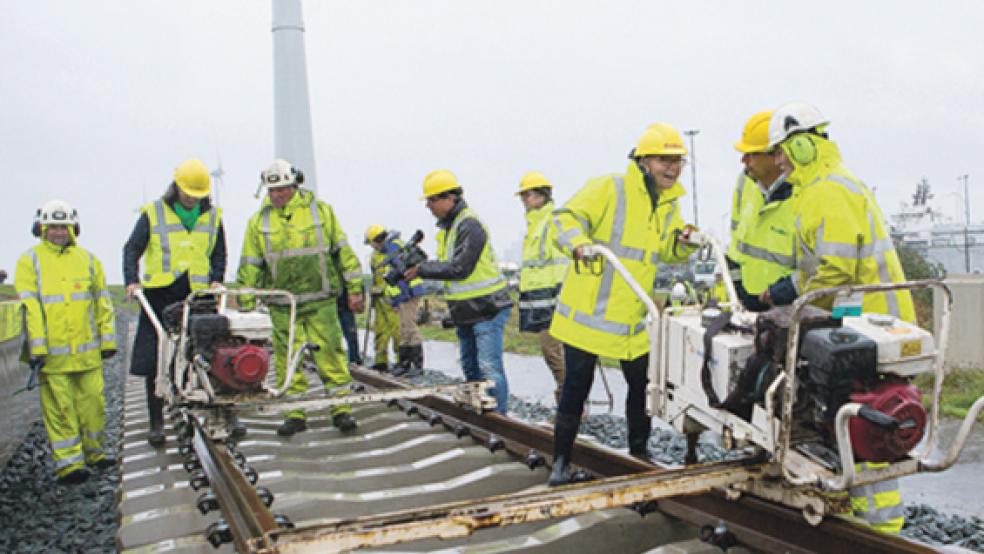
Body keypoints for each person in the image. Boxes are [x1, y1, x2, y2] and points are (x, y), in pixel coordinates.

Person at [765, 102, 912, 533]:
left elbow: (836, 271)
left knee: (864, 429)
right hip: (865, 322)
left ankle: (876, 532)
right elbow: (821, 267)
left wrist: (792, 307)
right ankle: (866, 525)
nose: (778, 161)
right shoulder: (825, 188)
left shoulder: (827, 190)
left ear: (805, 145)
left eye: (782, 151)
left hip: (870, 324)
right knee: (856, 427)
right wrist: (780, 292)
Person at [548, 123, 697, 485]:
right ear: (644, 160)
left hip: (631, 319)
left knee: (642, 389)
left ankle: (638, 456)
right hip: (589, 316)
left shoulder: (668, 203)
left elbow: (666, 250)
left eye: (678, 161)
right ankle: (560, 465)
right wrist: (578, 244)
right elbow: (564, 219)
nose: (673, 168)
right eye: (665, 160)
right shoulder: (609, 187)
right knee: (576, 388)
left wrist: (684, 242)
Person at [237, 159, 364, 436]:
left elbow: (343, 251)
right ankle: (295, 412)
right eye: (272, 191)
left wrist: (354, 288)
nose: (277, 195)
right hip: (284, 305)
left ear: (294, 186)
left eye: (282, 189)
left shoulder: (321, 212)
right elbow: (250, 263)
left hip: (321, 301)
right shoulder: (259, 222)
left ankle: (341, 409)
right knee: (287, 359)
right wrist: (246, 304)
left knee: (331, 353)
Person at [124, 159, 228, 447]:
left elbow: (219, 253)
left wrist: (217, 278)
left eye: (197, 194)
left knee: (208, 353)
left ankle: (217, 411)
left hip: (197, 295)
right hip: (160, 293)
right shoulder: (153, 213)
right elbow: (132, 248)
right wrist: (131, 281)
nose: (192, 198)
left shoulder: (213, 216)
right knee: (155, 357)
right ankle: (156, 422)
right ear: (176, 188)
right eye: (187, 193)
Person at [16, 200, 117, 483]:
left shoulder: (88, 260)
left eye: (64, 226)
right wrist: (37, 347)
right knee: (61, 409)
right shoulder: (30, 261)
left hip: (87, 353)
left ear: (74, 228)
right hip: (52, 355)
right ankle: (70, 464)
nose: (59, 232)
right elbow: (31, 307)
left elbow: (102, 302)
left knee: (94, 405)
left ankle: (94, 452)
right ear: (41, 228)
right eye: (53, 227)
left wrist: (107, 340)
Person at [403, 170, 512, 414]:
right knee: (471, 367)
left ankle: (500, 419)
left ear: (449, 198)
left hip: (487, 307)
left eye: (432, 200)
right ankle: (480, 411)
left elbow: (460, 268)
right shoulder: (449, 229)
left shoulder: (469, 225)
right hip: (465, 310)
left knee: (489, 368)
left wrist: (422, 269)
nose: (429, 206)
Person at [729, 110, 795, 312]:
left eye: (752, 154)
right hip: (749, 310)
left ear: (777, 155)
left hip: (792, 313)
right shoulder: (745, 184)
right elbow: (736, 248)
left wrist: (785, 291)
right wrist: (738, 292)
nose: (743, 161)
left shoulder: (806, 195)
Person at [515, 171, 569, 404]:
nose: (524, 201)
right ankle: (569, 401)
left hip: (555, 299)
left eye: (526, 196)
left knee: (553, 351)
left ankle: (570, 403)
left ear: (540, 195)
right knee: (552, 352)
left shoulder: (552, 222)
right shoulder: (535, 225)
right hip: (540, 299)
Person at [365, 224, 427, 377]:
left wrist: (401, 298)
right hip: (402, 295)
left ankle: (415, 365)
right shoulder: (392, 248)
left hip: (407, 294)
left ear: (376, 240)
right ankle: (404, 364)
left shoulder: (394, 249)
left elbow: (402, 275)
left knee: (409, 328)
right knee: (404, 329)